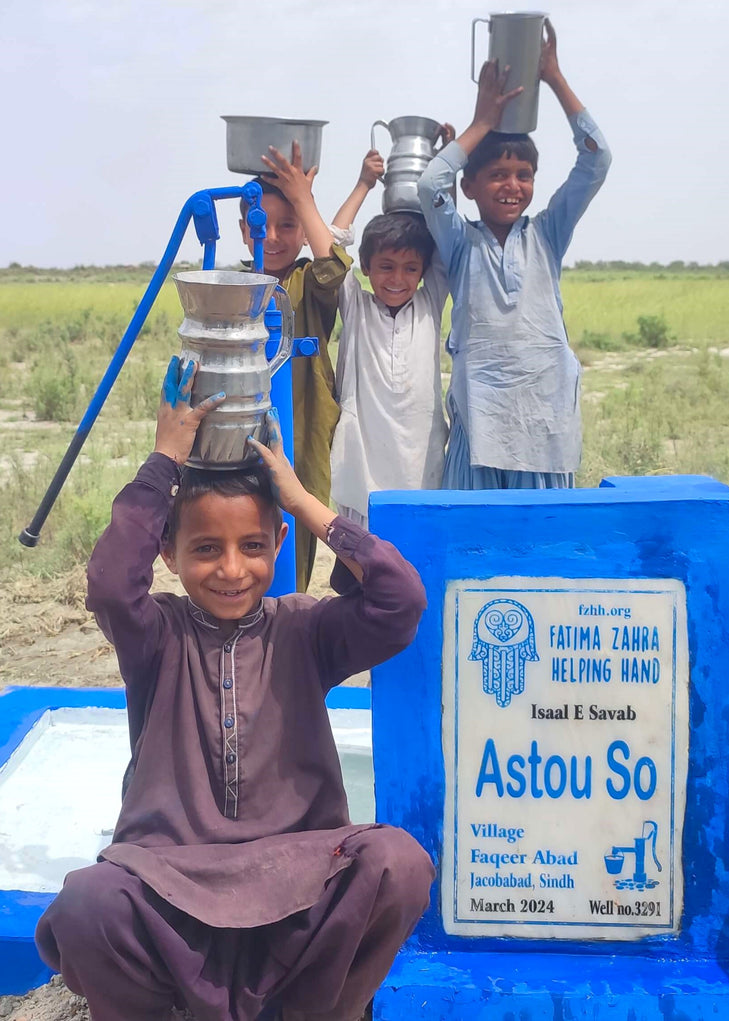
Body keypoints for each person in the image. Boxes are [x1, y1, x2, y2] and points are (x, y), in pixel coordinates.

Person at [35, 358, 434, 1021]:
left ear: (279, 541)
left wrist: (305, 502)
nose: (231, 569)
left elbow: (400, 601)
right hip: (172, 882)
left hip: (296, 878)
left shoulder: (304, 628)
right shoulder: (155, 635)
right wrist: (163, 461)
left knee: (399, 862)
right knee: (88, 903)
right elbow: (109, 583)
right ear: (168, 553)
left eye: (253, 545)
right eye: (205, 549)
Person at [417, 19, 611, 489]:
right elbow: (430, 185)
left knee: (541, 550)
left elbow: (596, 159)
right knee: (474, 547)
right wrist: (482, 122)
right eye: (498, 175)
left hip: (544, 422)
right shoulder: (462, 244)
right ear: (471, 186)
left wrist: (554, 77)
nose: (512, 186)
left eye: (524, 175)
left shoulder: (547, 234)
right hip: (479, 423)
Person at [240, 142, 352, 591]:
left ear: (305, 231)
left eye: (290, 225)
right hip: (241, 435)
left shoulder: (307, 281)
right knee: (244, 531)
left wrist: (305, 200)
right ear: (244, 231)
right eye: (262, 225)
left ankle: (286, 629)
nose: (275, 236)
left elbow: (334, 271)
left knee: (294, 532)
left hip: (301, 432)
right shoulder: (234, 285)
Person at [326, 145, 452, 525]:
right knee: (363, 565)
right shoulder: (356, 306)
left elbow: (448, 237)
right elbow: (331, 247)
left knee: (417, 561)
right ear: (364, 267)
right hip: (363, 466)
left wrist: (444, 164)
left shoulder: (430, 304)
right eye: (385, 266)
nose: (397, 279)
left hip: (421, 462)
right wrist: (364, 184)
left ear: (424, 272)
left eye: (410, 268)